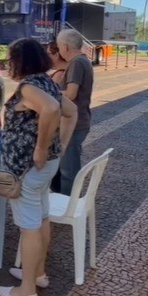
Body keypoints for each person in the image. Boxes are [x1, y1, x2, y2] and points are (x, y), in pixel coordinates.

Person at [0, 38, 77, 296]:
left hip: (26, 169)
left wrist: (42, 148)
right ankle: (37, 274)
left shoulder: (30, 86)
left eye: (11, 59)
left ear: (19, 60)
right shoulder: (47, 82)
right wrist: (60, 146)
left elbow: (54, 110)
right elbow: (71, 111)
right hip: (43, 168)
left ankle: (27, 291)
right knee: (41, 219)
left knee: (29, 226)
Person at [53, 29, 94, 195]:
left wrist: (46, 91)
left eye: (59, 46)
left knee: (68, 170)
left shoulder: (76, 63)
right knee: (64, 166)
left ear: (65, 46)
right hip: (80, 121)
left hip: (74, 124)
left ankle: (67, 205)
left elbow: (70, 94)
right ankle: (62, 200)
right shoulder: (84, 61)